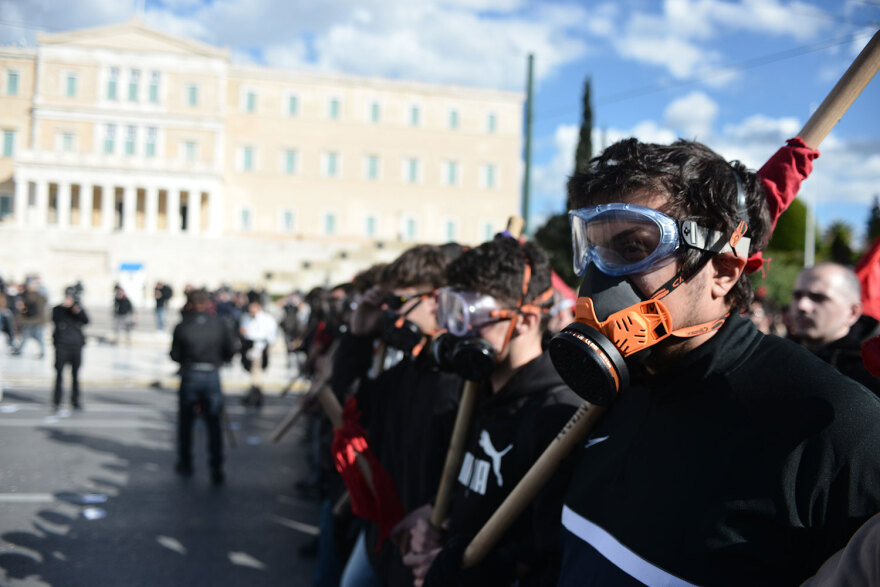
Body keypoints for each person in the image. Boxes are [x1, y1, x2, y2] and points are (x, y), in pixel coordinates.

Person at [549, 138, 880, 585]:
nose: (598, 279)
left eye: (633, 249)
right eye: (592, 248)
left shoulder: (832, 427)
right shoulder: (606, 395)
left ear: (722, 269)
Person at [402, 237, 581, 587]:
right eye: (451, 313)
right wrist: (434, 519)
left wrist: (462, 568)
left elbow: (548, 555)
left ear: (527, 320)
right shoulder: (476, 393)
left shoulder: (558, 418)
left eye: (471, 316)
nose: (458, 333)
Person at [339, 244, 463, 587]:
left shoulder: (462, 381)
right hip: (387, 534)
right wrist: (358, 336)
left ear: (435, 299)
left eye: (397, 304)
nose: (389, 315)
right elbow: (348, 407)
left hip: (427, 542)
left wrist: (442, 514)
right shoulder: (405, 370)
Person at [170, 289, 237, 485]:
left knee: (186, 422)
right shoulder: (219, 324)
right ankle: (216, 467)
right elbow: (230, 350)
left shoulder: (183, 325)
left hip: (191, 374)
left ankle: (185, 462)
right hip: (211, 374)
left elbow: (175, 354)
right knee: (214, 423)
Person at [787, 261, 880, 397]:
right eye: (797, 295)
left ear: (853, 311)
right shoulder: (775, 357)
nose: (802, 305)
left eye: (818, 298)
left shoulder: (872, 372)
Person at [51, 287, 89, 412]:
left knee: (75, 376)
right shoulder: (58, 309)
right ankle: (57, 401)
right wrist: (65, 308)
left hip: (75, 346)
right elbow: (55, 319)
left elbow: (86, 321)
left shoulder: (77, 309)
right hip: (62, 346)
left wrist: (76, 310)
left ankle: (75, 400)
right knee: (59, 375)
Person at [239, 296, 278, 407]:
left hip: (259, 349)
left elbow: (269, 336)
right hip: (249, 349)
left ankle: (254, 397)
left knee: (256, 376)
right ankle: (255, 396)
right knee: (253, 375)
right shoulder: (247, 318)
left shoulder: (266, 319)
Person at [11, 280, 48, 358]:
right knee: (26, 336)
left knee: (37, 337)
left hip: (34, 321)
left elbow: (33, 311)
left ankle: (42, 352)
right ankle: (20, 350)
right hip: (34, 321)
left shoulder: (34, 297)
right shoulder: (33, 296)